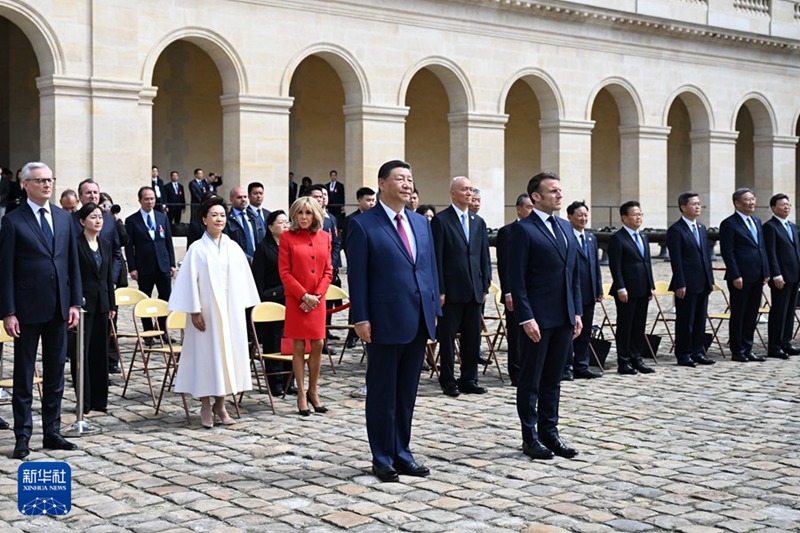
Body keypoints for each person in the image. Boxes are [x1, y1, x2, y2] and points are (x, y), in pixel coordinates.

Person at [347, 159, 440, 482]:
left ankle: (403, 452)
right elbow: (358, 277)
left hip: (417, 319)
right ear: (382, 183)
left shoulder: (420, 223)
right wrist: (361, 317)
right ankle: (382, 456)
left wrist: (434, 310)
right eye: (399, 178)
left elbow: (428, 269)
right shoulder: (363, 225)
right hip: (384, 319)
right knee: (383, 393)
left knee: (406, 394)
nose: (406, 184)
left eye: (410, 179)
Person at [0, 161, 83, 459]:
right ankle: (23, 435)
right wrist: (8, 311)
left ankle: (52, 431)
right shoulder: (13, 221)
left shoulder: (64, 219)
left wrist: (75, 302)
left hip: (60, 307)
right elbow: (5, 270)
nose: (47, 185)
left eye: (50, 180)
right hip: (26, 309)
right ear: (25, 184)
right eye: (40, 180)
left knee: (55, 375)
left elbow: (72, 263)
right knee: (23, 376)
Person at [508, 171, 581, 461]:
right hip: (537, 319)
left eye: (560, 190)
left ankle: (551, 433)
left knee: (554, 378)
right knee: (532, 379)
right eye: (553, 191)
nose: (559, 195)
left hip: (563, 317)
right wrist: (526, 317)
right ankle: (531, 437)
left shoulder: (565, 227)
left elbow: (572, 275)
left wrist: (575, 312)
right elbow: (518, 279)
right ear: (536, 197)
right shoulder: (522, 231)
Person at [169, 196, 260, 428]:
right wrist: (194, 311)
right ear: (204, 220)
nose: (219, 219)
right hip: (206, 315)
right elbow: (189, 281)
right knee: (207, 358)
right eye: (214, 215)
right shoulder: (197, 249)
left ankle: (222, 403)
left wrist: (243, 308)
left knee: (227, 357)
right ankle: (206, 404)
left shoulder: (233, 247)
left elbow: (243, 281)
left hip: (230, 314)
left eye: (222, 215)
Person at [431, 176, 491, 397]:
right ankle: (448, 380)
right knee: (447, 339)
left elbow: (483, 255)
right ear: (453, 193)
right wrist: (440, 289)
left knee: (472, 337)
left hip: (474, 289)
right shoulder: (441, 220)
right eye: (464, 189)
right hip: (451, 291)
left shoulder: (478, 222)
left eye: (470, 189)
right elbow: (436, 257)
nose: (469, 193)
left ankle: (469, 379)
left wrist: (485, 284)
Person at [279, 196, 333, 416]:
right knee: (299, 345)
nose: (303, 217)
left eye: (308, 213)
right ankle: (301, 394)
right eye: (300, 213)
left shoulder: (325, 237)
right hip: (296, 299)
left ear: (316, 215)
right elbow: (284, 272)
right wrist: (303, 295)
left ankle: (313, 391)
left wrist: (317, 295)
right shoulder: (287, 237)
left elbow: (328, 271)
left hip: (317, 299)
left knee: (319, 343)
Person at [73, 202, 116, 413]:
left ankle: (100, 400)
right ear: (82, 221)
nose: (98, 220)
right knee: (83, 352)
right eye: (93, 217)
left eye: (100, 217)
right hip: (83, 304)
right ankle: (85, 400)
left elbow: (108, 277)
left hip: (102, 303)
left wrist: (112, 304)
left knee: (100, 351)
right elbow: (73, 276)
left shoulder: (105, 243)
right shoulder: (76, 244)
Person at [719, 188, 769, 362]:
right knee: (739, 314)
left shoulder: (756, 221)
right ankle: (737, 350)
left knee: (752, 313)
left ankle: (748, 348)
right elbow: (728, 252)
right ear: (737, 203)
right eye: (747, 199)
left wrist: (766, 271)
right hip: (740, 276)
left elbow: (761, 248)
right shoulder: (729, 223)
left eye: (753, 199)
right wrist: (735, 274)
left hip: (757, 275)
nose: (752, 202)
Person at [666, 192, 715, 367]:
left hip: (702, 281)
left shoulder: (701, 228)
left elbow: (705, 257)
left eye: (699, 204)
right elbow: (676, 260)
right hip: (686, 283)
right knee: (685, 320)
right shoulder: (676, 230)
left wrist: (710, 280)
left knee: (700, 319)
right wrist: (680, 283)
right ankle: (684, 353)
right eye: (694, 204)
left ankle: (697, 351)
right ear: (683, 207)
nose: (697, 207)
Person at [608, 201, 656, 375]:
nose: (639, 218)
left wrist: (651, 285)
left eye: (640, 214)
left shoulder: (643, 236)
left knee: (639, 326)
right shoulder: (617, 238)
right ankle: (624, 361)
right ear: (624, 217)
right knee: (625, 326)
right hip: (626, 290)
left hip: (643, 288)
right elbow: (616, 266)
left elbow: (647, 263)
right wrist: (620, 287)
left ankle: (637, 358)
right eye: (635, 215)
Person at [251, 210, 292, 395]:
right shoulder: (263, 248)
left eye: (287, 222)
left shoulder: (290, 245)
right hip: (271, 300)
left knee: (289, 341)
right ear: (270, 227)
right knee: (273, 342)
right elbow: (258, 280)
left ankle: (288, 380)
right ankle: (274, 381)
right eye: (281, 222)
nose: (286, 225)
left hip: (290, 301)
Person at [125, 186, 176, 334]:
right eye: (146, 199)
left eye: (152, 198)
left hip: (163, 265)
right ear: (140, 200)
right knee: (145, 299)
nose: (150, 202)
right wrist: (132, 268)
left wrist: (172, 263)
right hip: (144, 266)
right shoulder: (132, 220)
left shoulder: (162, 217)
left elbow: (168, 242)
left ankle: (163, 330)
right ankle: (148, 332)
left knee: (165, 298)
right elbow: (129, 247)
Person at [496, 193, 534, 387]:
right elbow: (505, 265)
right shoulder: (507, 232)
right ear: (518, 209)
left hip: (534, 292)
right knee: (516, 335)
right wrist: (508, 292)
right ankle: (516, 372)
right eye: (528, 207)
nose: (531, 211)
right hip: (515, 293)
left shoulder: (538, 229)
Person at [564, 200, 603, 380]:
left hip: (588, 292)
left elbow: (595, 266)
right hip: (571, 292)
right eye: (579, 215)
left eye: (586, 215)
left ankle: (582, 365)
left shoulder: (590, 238)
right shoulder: (565, 237)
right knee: (570, 331)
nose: (583, 218)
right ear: (570, 216)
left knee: (585, 331)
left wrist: (599, 289)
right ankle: (566, 367)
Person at [762, 193, 800, 359]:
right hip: (781, 276)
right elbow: (771, 253)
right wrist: (776, 274)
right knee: (779, 310)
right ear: (773, 208)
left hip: (794, 275)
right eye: (783, 204)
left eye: (788, 204)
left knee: (790, 310)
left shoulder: (791, 226)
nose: (787, 207)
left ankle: (786, 342)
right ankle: (775, 345)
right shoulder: (770, 227)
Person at [76, 179, 123, 288]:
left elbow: (117, 253)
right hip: (82, 284)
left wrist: (113, 279)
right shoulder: (70, 220)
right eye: (88, 192)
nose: (92, 196)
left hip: (106, 285)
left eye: (95, 192)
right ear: (80, 197)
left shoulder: (110, 220)